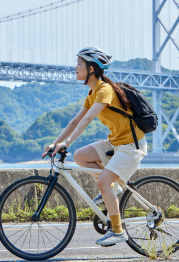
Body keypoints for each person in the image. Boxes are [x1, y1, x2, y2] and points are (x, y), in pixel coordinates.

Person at [41, 47, 147, 246]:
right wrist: (56, 143)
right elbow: (75, 121)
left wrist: (67, 143)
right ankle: (113, 189)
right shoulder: (93, 92)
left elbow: (88, 119)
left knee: (103, 182)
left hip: (131, 146)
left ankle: (117, 231)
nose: (75, 67)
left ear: (91, 68)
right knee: (80, 156)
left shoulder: (105, 90)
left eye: (79, 64)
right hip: (116, 144)